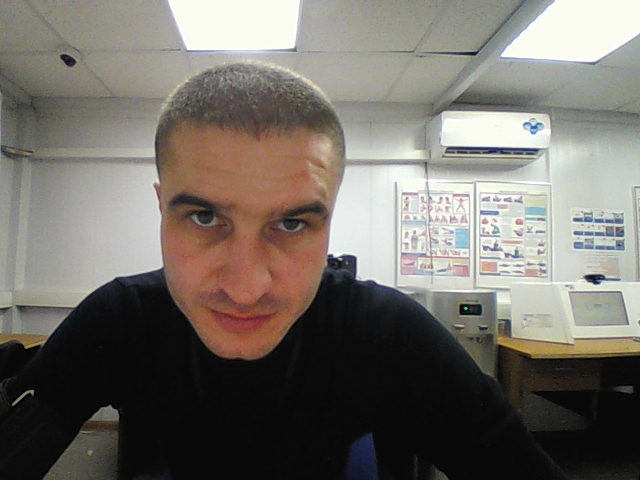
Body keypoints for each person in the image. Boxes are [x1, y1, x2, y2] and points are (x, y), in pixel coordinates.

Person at [0, 61, 567, 479]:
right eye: (204, 217)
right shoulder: (123, 322)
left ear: (329, 221)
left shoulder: (384, 332)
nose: (246, 289)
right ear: (161, 208)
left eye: (291, 224)